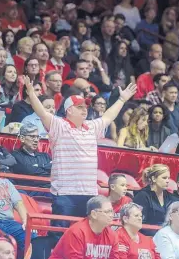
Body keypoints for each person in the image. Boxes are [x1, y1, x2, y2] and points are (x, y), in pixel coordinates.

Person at [23, 74, 136, 232]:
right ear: (69, 110)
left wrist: (122, 100)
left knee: (87, 236)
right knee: (59, 236)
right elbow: (42, 112)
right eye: (80, 107)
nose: (85, 110)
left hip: (89, 193)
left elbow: (109, 116)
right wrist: (31, 92)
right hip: (64, 193)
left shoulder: (91, 126)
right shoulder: (59, 125)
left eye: (85, 107)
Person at [43, 195, 120, 259]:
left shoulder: (112, 235)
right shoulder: (76, 231)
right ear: (94, 214)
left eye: (112, 211)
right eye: (107, 212)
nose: (111, 215)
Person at [11, 123, 52, 197]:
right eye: (32, 136)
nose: (36, 140)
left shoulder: (45, 156)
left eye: (37, 137)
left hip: (50, 189)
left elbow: (55, 171)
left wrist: (37, 168)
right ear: (22, 138)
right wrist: (46, 168)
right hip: (30, 193)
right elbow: (30, 171)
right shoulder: (16, 156)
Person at [133, 164, 174, 229]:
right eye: (164, 178)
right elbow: (138, 223)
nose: (167, 181)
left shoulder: (169, 196)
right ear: (153, 178)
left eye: (168, 178)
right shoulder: (142, 196)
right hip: (148, 234)